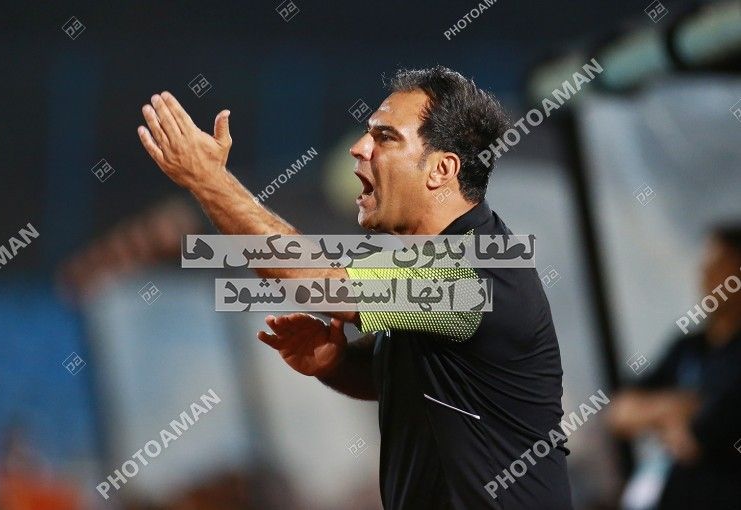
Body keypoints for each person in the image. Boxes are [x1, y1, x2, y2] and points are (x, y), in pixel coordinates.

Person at [136, 66, 572, 509]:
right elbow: (404, 382)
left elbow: (319, 284)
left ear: (441, 169)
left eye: (385, 137)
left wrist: (208, 180)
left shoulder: (471, 274)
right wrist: (337, 363)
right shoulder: (442, 264)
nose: (360, 147)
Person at [607, 224, 741, 509]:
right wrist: (674, 409)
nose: (705, 276)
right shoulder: (689, 346)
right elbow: (619, 412)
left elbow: (696, 438)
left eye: (719, 266)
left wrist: (657, 417)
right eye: (705, 267)